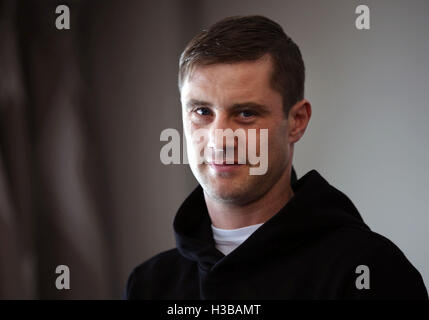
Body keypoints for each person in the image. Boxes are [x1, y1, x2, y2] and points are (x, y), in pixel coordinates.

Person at [126, 15, 428, 299]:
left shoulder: (367, 272)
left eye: (246, 113)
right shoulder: (149, 284)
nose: (219, 139)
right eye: (202, 112)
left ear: (296, 121)